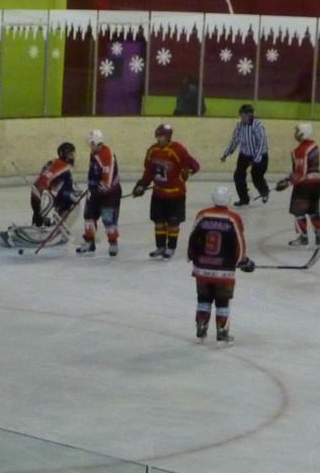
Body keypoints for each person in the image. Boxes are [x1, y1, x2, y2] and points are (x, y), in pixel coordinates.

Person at [187, 186, 255, 344]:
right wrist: (243, 261)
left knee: (203, 299)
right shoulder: (233, 218)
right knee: (222, 301)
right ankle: (222, 333)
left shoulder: (203, 215)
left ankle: (201, 327)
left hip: (202, 268)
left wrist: (192, 257)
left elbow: (192, 239)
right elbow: (239, 243)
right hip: (224, 271)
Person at [132, 124, 200, 260]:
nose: (158, 138)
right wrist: (142, 185)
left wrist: (188, 171)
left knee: (173, 223)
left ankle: (171, 248)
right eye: (157, 135)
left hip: (175, 194)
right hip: (158, 193)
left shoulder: (178, 149)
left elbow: (194, 165)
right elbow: (149, 171)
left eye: (161, 136)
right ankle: (160, 247)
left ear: (168, 136)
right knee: (158, 221)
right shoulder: (152, 150)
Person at [275, 123, 320, 247]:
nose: (295, 134)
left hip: (304, 187)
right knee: (313, 211)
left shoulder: (299, 151)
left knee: (298, 211)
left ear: (303, 133)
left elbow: (301, 173)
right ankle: (319, 237)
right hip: (317, 185)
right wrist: (287, 179)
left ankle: (303, 238)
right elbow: (300, 170)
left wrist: (288, 182)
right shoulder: (314, 146)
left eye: (298, 131)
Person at [76, 130, 122, 257]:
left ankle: (113, 243)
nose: (90, 147)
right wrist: (91, 187)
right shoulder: (94, 153)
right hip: (95, 191)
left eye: (91, 144)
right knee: (88, 217)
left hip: (110, 193)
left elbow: (107, 182)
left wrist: (96, 189)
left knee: (108, 220)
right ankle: (89, 242)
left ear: (97, 143)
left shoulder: (107, 155)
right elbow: (93, 173)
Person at [221, 104, 270, 206]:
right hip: (245, 155)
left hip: (260, 154)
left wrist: (256, 159)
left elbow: (261, 143)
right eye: (241, 116)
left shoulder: (258, 126)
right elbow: (234, 141)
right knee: (238, 176)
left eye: (244, 116)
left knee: (256, 176)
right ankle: (244, 199)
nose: (242, 118)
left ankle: (264, 191)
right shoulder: (239, 126)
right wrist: (226, 153)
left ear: (250, 115)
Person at [30, 142, 78, 227]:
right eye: (70, 155)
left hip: (36, 192)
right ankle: (59, 226)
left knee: (38, 214)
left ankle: (37, 223)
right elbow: (69, 187)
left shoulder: (51, 162)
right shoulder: (65, 168)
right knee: (73, 201)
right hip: (47, 196)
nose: (73, 157)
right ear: (64, 155)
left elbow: (43, 176)